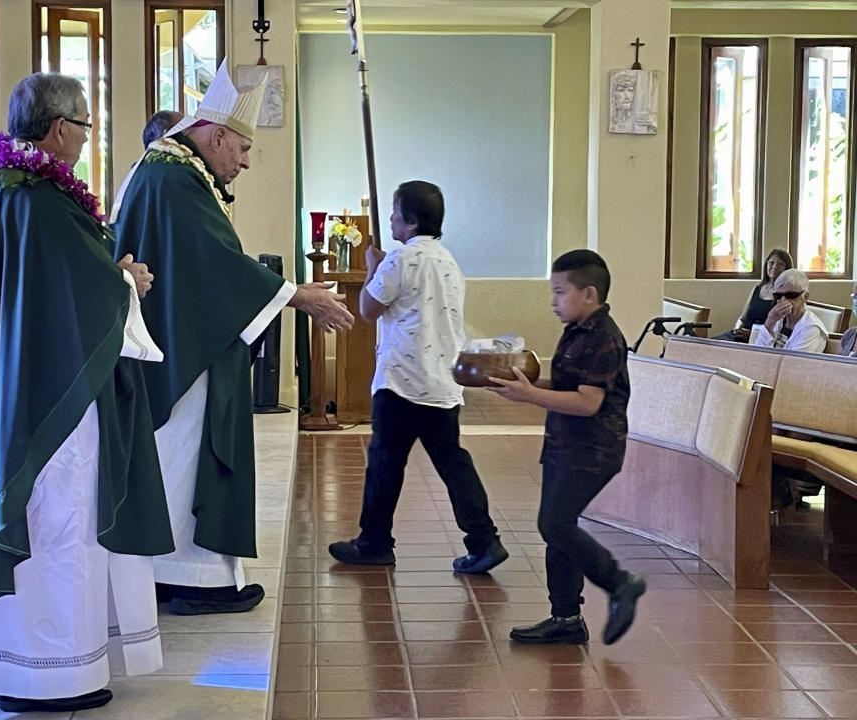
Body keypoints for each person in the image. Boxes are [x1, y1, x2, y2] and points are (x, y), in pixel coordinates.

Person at [0, 73, 174, 712]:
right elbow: (79, 294)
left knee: (39, 515)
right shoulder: (41, 200)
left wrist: (107, 275)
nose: (87, 138)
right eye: (86, 126)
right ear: (61, 129)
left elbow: (44, 289)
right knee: (59, 518)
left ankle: (10, 667)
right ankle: (53, 673)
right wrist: (127, 282)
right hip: (54, 401)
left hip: (9, 394)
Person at [111, 59, 354, 616]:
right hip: (180, 347)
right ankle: (186, 578)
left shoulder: (176, 172)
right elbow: (215, 264)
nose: (243, 163)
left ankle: (182, 574)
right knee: (182, 453)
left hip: (185, 336)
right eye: (242, 150)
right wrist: (298, 294)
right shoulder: (173, 177)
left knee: (184, 454)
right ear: (216, 135)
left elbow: (207, 264)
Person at [328, 181, 508, 573]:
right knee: (453, 462)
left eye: (395, 213)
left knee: (385, 463)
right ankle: (484, 540)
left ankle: (374, 542)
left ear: (409, 221)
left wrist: (374, 268)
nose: (390, 219)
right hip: (442, 381)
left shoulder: (399, 260)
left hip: (402, 381)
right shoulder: (447, 261)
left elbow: (368, 309)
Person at [487, 249, 645, 645]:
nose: (553, 301)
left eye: (560, 292)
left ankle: (619, 582)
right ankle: (566, 617)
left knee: (553, 524)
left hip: (592, 449)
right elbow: (566, 389)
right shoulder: (576, 330)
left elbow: (588, 403)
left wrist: (531, 398)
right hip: (564, 444)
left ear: (588, 294)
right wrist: (523, 387)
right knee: (560, 527)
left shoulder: (605, 338)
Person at [715, 248, 794, 342]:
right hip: (740, 336)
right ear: (766, 264)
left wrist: (752, 334)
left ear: (787, 269)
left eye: (780, 264)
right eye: (771, 263)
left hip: (762, 340)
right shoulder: (757, 289)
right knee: (710, 344)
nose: (774, 267)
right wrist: (737, 328)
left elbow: (781, 328)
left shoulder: (786, 294)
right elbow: (742, 318)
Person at [751, 268, 827, 353]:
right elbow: (758, 352)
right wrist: (770, 321)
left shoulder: (811, 328)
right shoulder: (779, 320)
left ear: (805, 297)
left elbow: (793, 362)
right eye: (778, 296)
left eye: (791, 295)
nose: (783, 300)